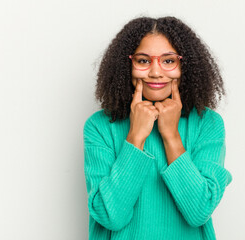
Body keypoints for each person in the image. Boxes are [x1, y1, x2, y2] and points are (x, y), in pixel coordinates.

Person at [83, 16, 233, 240]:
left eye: (169, 61)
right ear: (127, 65)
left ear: (185, 66)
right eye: (143, 61)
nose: (155, 72)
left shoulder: (207, 123)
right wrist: (135, 137)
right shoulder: (100, 126)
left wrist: (171, 135)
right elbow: (110, 217)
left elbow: (199, 211)